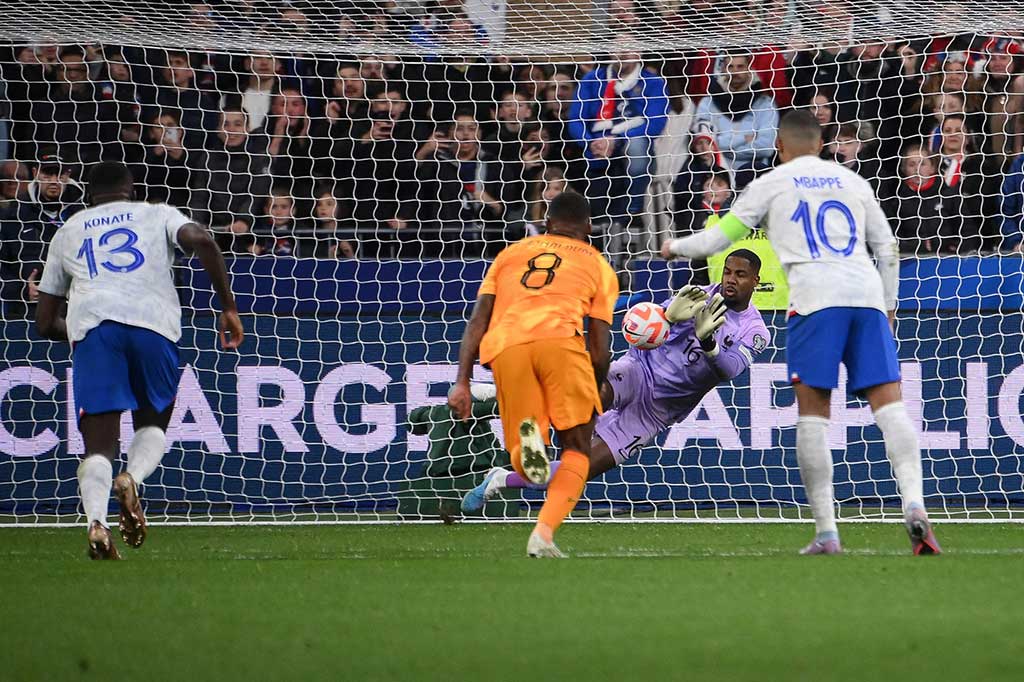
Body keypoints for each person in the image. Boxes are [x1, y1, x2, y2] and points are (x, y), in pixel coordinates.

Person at [661, 110, 941, 556]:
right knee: (890, 409)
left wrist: (674, 247)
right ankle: (914, 503)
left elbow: (717, 240)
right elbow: (887, 248)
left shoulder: (770, 183)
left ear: (780, 146)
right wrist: (888, 308)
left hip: (815, 302)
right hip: (866, 296)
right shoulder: (852, 181)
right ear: (821, 143)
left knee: (813, 416)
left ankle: (828, 532)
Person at [34, 161, 243, 559]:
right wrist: (228, 306)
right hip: (153, 326)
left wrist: (83, 333)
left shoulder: (68, 230)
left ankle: (97, 523)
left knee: (98, 445)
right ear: (130, 188)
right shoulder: (156, 212)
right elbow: (201, 239)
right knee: (154, 420)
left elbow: (44, 322)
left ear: (89, 193)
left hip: (96, 330)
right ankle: (133, 477)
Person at [463, 250, 769, 510]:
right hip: (639, 371)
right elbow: (646, 328)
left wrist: (709, 344)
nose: (731, 279)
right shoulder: (699, 296)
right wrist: (668, 317)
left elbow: (730, 370)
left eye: (740, 275)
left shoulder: (756, 330)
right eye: (728, 272)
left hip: (657, 412)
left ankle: (500, 479)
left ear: (755, 280)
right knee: (590, 395)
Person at [448, 191, 618, 557]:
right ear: (589, 228)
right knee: (576, 450)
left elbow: (478, 319)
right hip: (561, 344)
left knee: (526, 444)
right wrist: (596, 381)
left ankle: (526, 449)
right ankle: (543, 533)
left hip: (507, 347)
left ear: (546, 224)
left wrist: (462, 380)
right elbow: (600, 347)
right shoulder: (599, 265)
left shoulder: (511, 254)